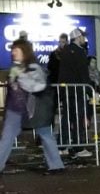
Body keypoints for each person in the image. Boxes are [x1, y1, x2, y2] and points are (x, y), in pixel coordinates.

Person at [0, 39, 65, 178]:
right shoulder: (15, 67)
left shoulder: (34, 68)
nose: (13, 52)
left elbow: (38, 86)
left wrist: (21, 76)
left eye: (16, 50)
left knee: (46, 135)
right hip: (15, 109)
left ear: (24, 51)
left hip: (34, 108)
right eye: (13, 50)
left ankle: (56, 165)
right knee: (7, 137)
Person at [58, 28, 91, 156]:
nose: (84, 39)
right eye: (83, 36)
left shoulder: (65, 51)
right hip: (78, 91)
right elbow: (83, 73)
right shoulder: (80, 52)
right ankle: (78, 147)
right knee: (78, 118)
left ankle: (63, 145)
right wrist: (89, 90)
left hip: (66, 91)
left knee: (66, 118)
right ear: (78, 37)